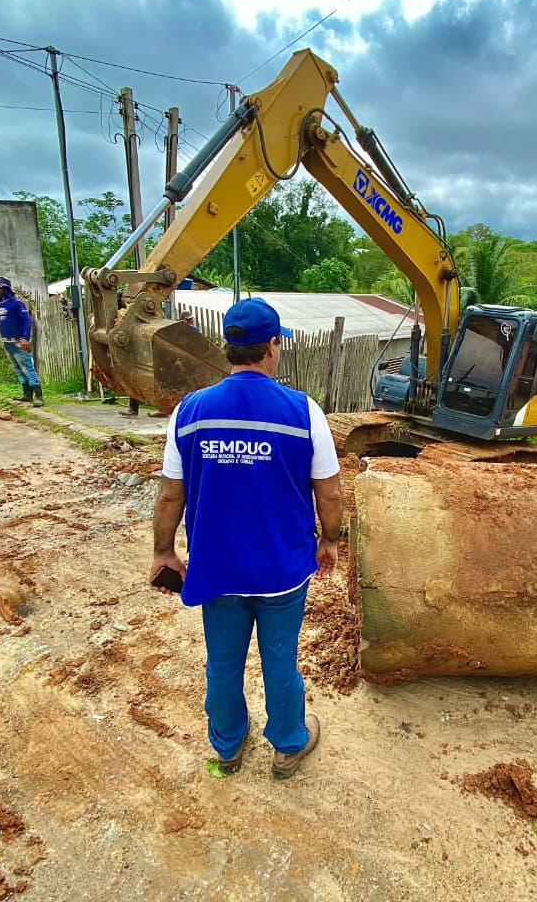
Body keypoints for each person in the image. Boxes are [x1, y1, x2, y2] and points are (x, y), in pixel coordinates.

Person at [150, 299, 342, 780]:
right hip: (282, 569)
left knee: (223, 661)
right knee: (281, 661)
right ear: (273, 347)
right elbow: (330, 489)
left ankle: (228, 748)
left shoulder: (189, 411)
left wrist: (163, 551)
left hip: (218, 569)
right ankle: (288, 746)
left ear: (227, 347)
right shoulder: (303, 410)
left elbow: (171, 495)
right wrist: (330, 540)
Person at [0, 277, 43, 407]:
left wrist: (25, 338)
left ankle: (39, 396)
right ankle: (27, 394)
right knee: (18, 369)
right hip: (7, 342)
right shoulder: (1, 304)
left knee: (28, 368)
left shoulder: (17, 303)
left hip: (19, 342)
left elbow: (27, 321)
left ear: (5, 288)